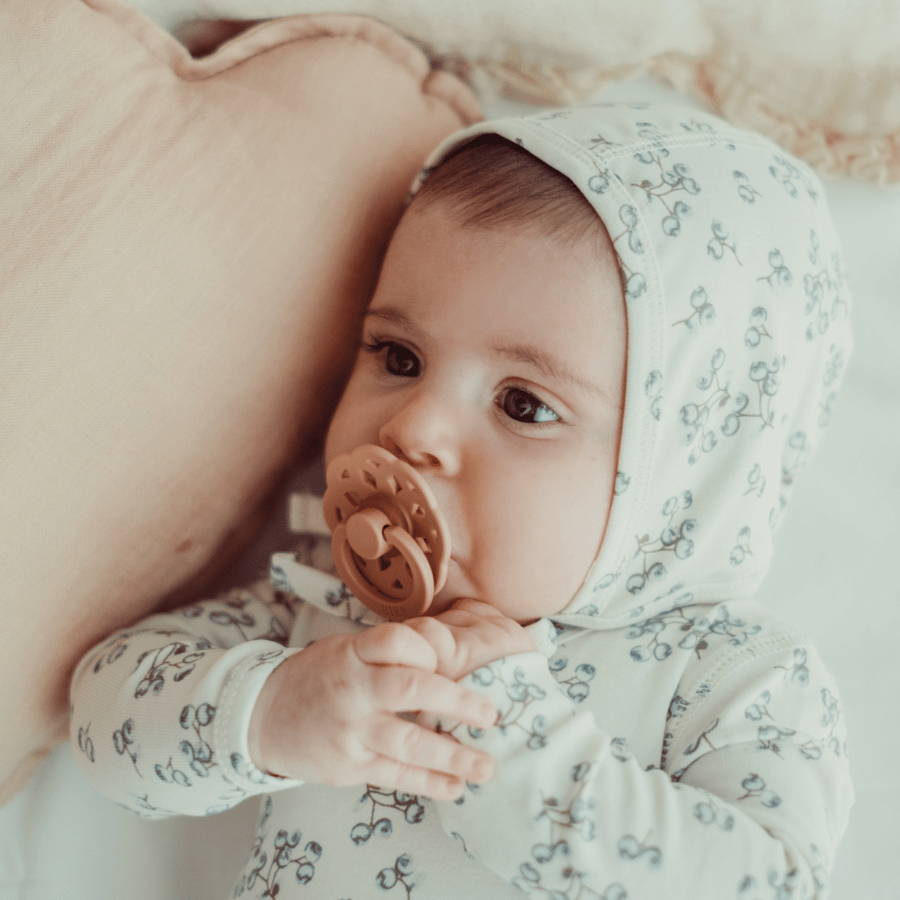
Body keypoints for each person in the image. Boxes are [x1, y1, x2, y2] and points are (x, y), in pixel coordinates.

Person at [70, 102, 854, 899]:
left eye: (523, 405)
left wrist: (518, 738)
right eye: (399, 357)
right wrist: (267, 712)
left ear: (682, 475)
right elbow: (103, 719)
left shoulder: (725, 674)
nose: (412, 427)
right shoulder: (333, 610)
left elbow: (773, 884)